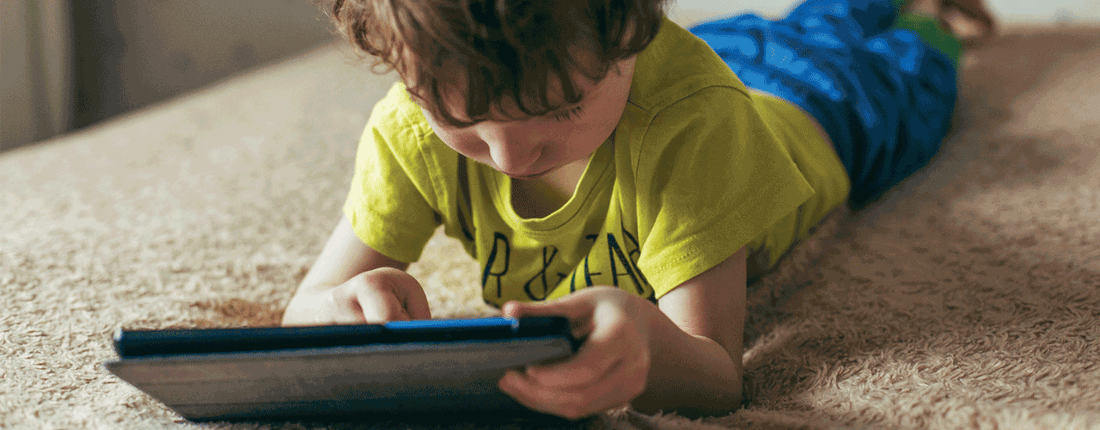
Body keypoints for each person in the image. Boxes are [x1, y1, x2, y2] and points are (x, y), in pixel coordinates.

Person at [282, 0, 996, 419]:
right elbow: (305, 308)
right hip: (712, 62)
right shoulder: (407, 128)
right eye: (457, 119)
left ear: (635, 38)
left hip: (823, 109)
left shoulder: (694, 121)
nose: (509, 159)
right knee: (804, 21)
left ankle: (934, 13)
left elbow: (719, 373)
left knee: (906, 68)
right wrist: (343, 306)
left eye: (560, 110)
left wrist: (651, 346)